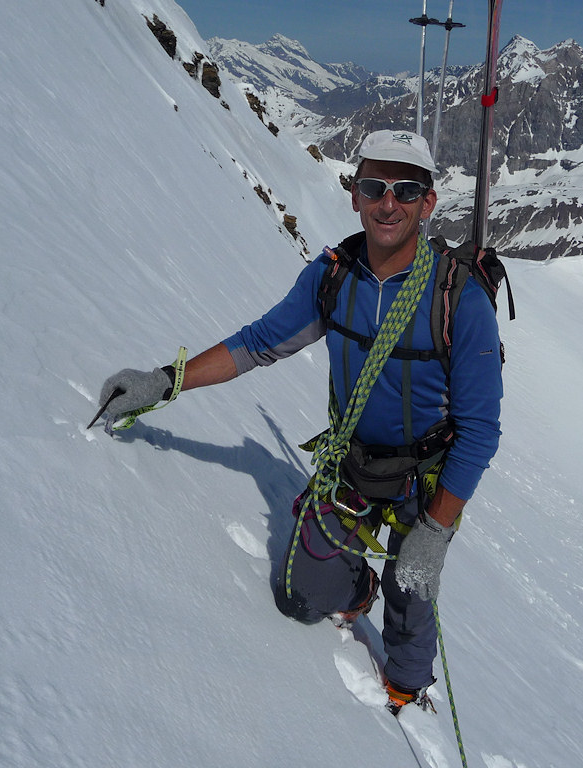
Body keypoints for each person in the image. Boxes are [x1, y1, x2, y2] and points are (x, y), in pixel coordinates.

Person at [96, 129, 503, 713]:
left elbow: (480, 431)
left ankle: (408, 689)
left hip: (426, 480)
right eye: (374, 187)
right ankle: (354, 584)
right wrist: (166, 379)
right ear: (356, 195)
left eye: (406, 189)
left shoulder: (457, 299)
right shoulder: (335, 276)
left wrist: (435, 535)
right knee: (301, 599)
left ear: (429, 202)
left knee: (413, 594)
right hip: (354, 463)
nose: (388, 202)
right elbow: (259, 343)